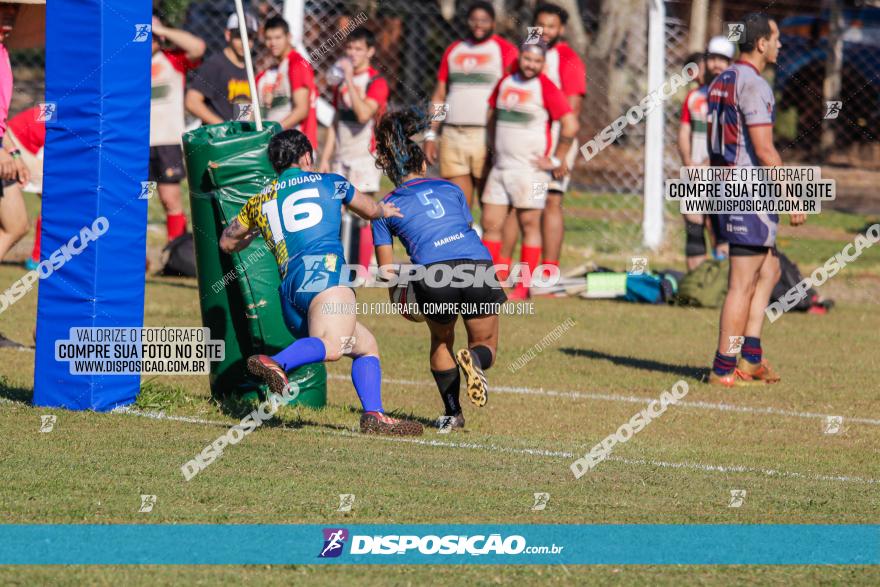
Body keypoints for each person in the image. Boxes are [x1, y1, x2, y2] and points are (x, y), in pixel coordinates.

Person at [219, 129, 422, 436]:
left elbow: (227, 243)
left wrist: (254, 233)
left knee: (366, 347)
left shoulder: (259, 200)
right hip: (324, 278)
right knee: (332, 347)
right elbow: (369, 210)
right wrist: (386, 210)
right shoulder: (331, 181)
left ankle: (373, 415)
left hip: (290, 294)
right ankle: (275, 362)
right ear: (306, 157)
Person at [372, 110, 506, 429]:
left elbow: (387, 272)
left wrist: (402, 297)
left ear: (391, 172)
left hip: (434, 273)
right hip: (477, 265)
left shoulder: (384, 207)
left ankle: (452, 414)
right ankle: (474, 360)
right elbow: (464, 229)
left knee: (442, 340)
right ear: (422, 165)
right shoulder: (452, 190)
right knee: (485, 344)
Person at [706, 13, 804, 387]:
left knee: (770, 271)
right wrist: (792, 195)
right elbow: (764, 150)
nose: (780, 45)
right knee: (742, 284)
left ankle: (750, 359)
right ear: (761, 43)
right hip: (745, 193)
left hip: (725, 187)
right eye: (776, 38)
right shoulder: (754, 84)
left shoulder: (721, 80)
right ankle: (722, 368)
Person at [480, 40, 578, 300]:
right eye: (527, 59)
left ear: (543, 63)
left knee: (529, 224)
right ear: (520, 57)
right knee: (490, 222)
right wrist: (491, 147)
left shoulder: (545, 87)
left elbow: (570, 124)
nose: (531, 65)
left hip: (530, 172)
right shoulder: (505, 82)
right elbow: (492, 117)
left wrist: (556, 159)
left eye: (537, 61)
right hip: (501, 167)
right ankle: (493, 284)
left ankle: (523, 288)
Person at [499, 2, 586, 280]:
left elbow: (571, 110)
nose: (545, 31)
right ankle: (503, 269)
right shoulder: (522, 54)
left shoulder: (568, 58)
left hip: (555, 143)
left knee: (550, 200)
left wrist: (560, 153)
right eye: (540, 25)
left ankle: (548, 272)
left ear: (561, 29)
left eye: (552, 26)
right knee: (515, 204)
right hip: (523, 144)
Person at [424, 1, 517, 208]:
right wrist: (431, 134)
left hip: (485, 136)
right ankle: (466, 240)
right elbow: (440, 95)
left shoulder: (505, 49)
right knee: (458, 207)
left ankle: (489, 240)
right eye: (474, 20)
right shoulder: (454, 50)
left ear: (493, 23)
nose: (478, 25)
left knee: (491, 205)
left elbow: (514, 92)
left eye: (484, 21)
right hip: (453, 134)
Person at [317, 28, 389, 271]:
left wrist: (348, 78)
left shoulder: (376, 82)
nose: (352, 54)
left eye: (358, 49)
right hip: (342, 156)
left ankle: (365, 268)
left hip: (364, 157)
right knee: (334, 210)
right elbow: (336, 122)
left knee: (364, 214)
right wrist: (326, 157)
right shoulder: (340, 85)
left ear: (370, 51)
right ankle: (336, 263)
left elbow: (363, 113)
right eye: (349, 48)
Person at [678, 36, 734, 271]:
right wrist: (688, 163)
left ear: (731, 63)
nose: (717, 64)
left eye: (723, 60)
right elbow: (683, 132)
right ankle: (697, 283)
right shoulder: (695, 96)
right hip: (695, 173)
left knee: (723, 230)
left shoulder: (734, 96)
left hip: (723, 174)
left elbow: (733, 140)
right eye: (713, 58)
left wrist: (710, 164)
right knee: (693, 227)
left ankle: (721, 283)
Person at [150, 13, 205, 243]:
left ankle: (175, 253)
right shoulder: (127, 64)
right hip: (136, 142)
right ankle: (135, 259)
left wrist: (163, 30)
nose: (150, 39)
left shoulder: (173, 59)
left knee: (170, 199)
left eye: (154, 35)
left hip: (167, 141)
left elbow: (198, 47)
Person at [255, 16, 318, 150]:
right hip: (273, 146)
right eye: (268, 38)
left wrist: (272, 132)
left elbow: (302, 110)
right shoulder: (267, 74)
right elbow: (251, 110)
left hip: (294, 147)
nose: (273, 43)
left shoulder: (297, 64)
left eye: (278, 38)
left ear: (288, 37)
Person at [185, 12, 257, 124]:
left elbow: (244, 109)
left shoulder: (251, 68)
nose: (245, 42)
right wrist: (223, 126)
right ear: (228, 35)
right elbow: (192, 101)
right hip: (218, 138)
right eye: (239, 36)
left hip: (240, 136)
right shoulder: (215, 65)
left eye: (250, 37)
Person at [0, 2, 29, 264]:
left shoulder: (3, 52)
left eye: (15, 7)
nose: (10, 11)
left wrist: (14, 152)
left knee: (17, 224)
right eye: (4, 6)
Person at [2, 106, 44, 270]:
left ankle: (38, 256)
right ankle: (37, 257)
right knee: (53, 200)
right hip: (14, 141)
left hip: (10, 136)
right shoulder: (71, 114)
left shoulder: (58, 107)